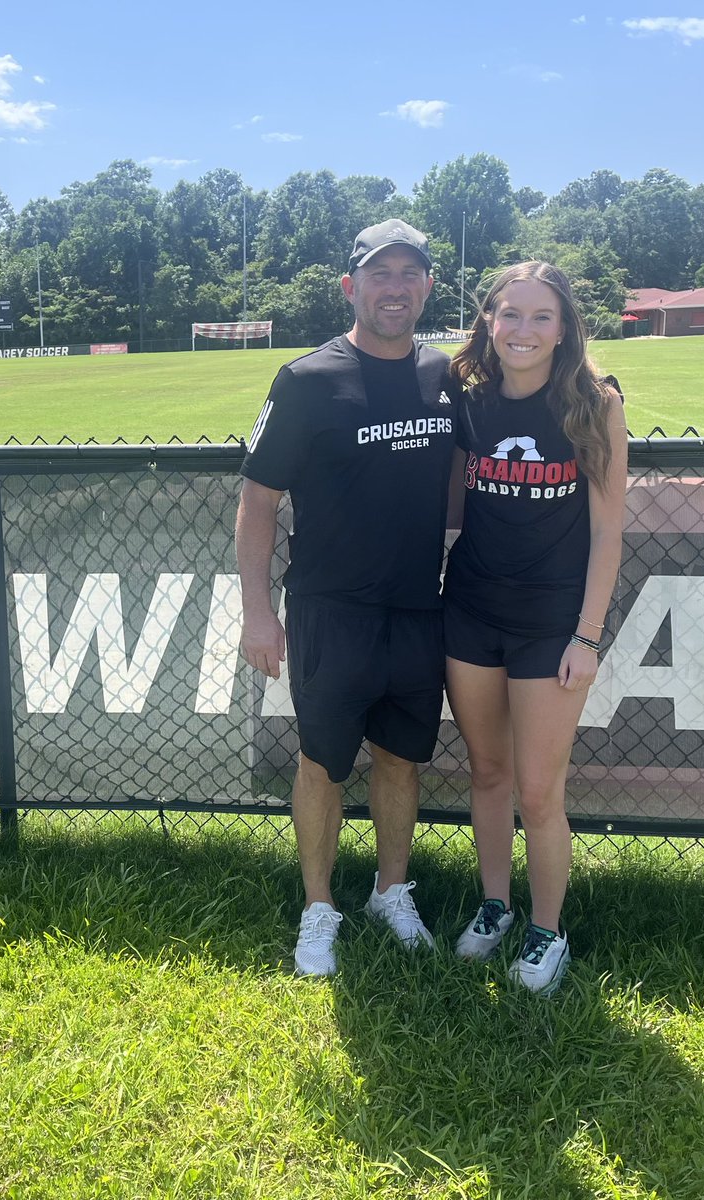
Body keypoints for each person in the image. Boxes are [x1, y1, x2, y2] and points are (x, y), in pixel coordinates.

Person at [236, 220, 458, 977]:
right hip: (330, 610)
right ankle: (318, 907)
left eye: (409, 274)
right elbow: (258, 501)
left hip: (417, 609)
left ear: (427, 286)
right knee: (323, 763)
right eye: (379, 274)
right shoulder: (306, 380)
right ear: (350, 286)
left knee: (400, 761)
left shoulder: (445, 376)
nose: (394, 287)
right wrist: (257, 612)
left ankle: (391, 892)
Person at [442, 261, 627, 995]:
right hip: (471, 611)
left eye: (540, 316)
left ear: (563, 327)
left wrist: (586, 636)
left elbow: (608, 531)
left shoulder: (592, 402)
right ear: (488, 320)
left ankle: (546, 931)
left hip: (550, 624)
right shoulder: (469, 399)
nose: (523, 330)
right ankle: (495, 905)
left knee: (539, 790)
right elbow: (450, 504)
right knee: (486, 772)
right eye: (509, 314)